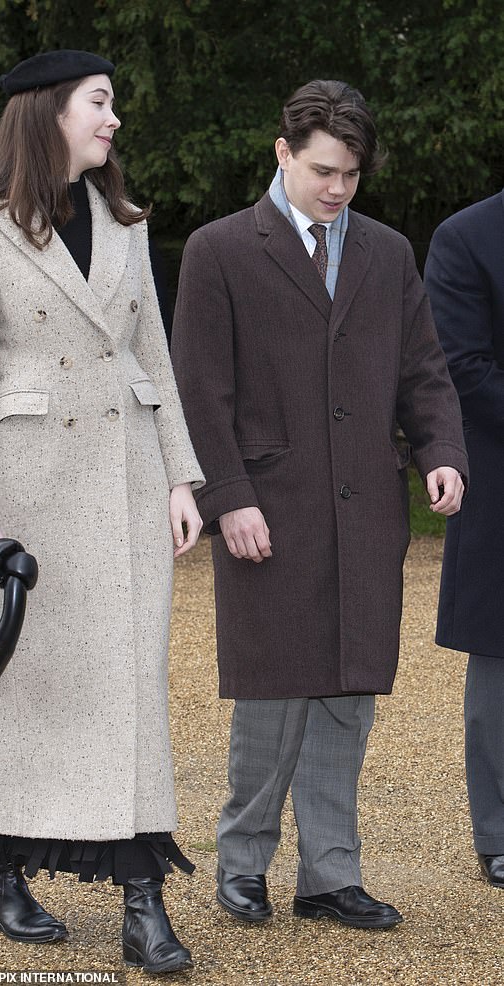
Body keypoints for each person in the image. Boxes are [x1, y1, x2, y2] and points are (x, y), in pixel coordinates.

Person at [171, 79, 468, 930]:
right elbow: (200, 390)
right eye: (324, 170)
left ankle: (331, 877)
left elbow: (424, 372)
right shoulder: (218, 250)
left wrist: (442, 454)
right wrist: (228, 498)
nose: (338, 189)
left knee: (348, 696)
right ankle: (242, 865)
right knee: (272, 698)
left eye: (352, 175)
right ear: (283, 154)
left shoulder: (388, 251)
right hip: (267, 510)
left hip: (366, 510)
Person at [0, 49, 204, 972]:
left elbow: (155, 359)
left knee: (129, 687)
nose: (115, 119)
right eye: (101, 103)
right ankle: (4, 869)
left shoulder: (126, 223)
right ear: (51, 111)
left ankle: (143, 897)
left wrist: (180, 477)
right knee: (27, 686)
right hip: (31, 493)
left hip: (125, 482)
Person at [424, 192, 504, 889]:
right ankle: (500, 831)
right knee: (501, 662)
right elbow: (465, 369)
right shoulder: (466, 237)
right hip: (502, 479)